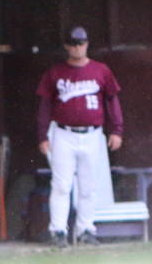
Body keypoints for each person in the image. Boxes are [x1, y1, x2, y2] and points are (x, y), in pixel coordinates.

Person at [36, 26, 124, 248]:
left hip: (93, 134)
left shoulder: (101, 71)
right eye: (74, 43)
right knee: (61, 185)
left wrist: (116, 130)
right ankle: (58, 231)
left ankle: (86, 229)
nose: (78, 47)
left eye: (82, 43)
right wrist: (42, 135)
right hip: (63, 133)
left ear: (87, 43)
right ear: (67, 46)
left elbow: (112, 101)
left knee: (89, 186)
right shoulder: (55, 72)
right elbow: (45, 106)